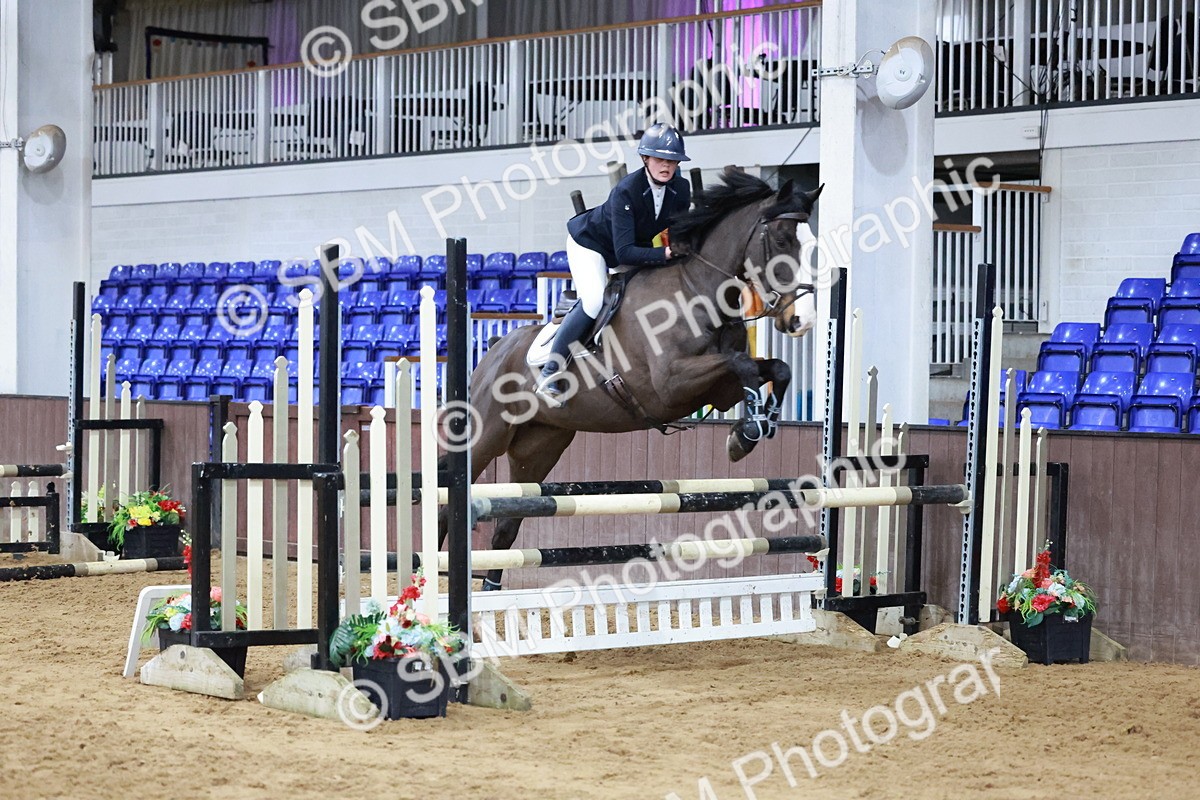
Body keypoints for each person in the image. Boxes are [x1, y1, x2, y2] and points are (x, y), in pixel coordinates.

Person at [535, 123, 693, 407]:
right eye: (660, 159)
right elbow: (624, 253)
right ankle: (551, 372)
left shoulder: (681, 189)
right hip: (591, 246)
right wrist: (666, 255)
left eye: (672, 161)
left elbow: (679, 232)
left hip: (634, 247)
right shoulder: (626, 191)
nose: (666, 166)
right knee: (595, 300)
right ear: (645, 159)